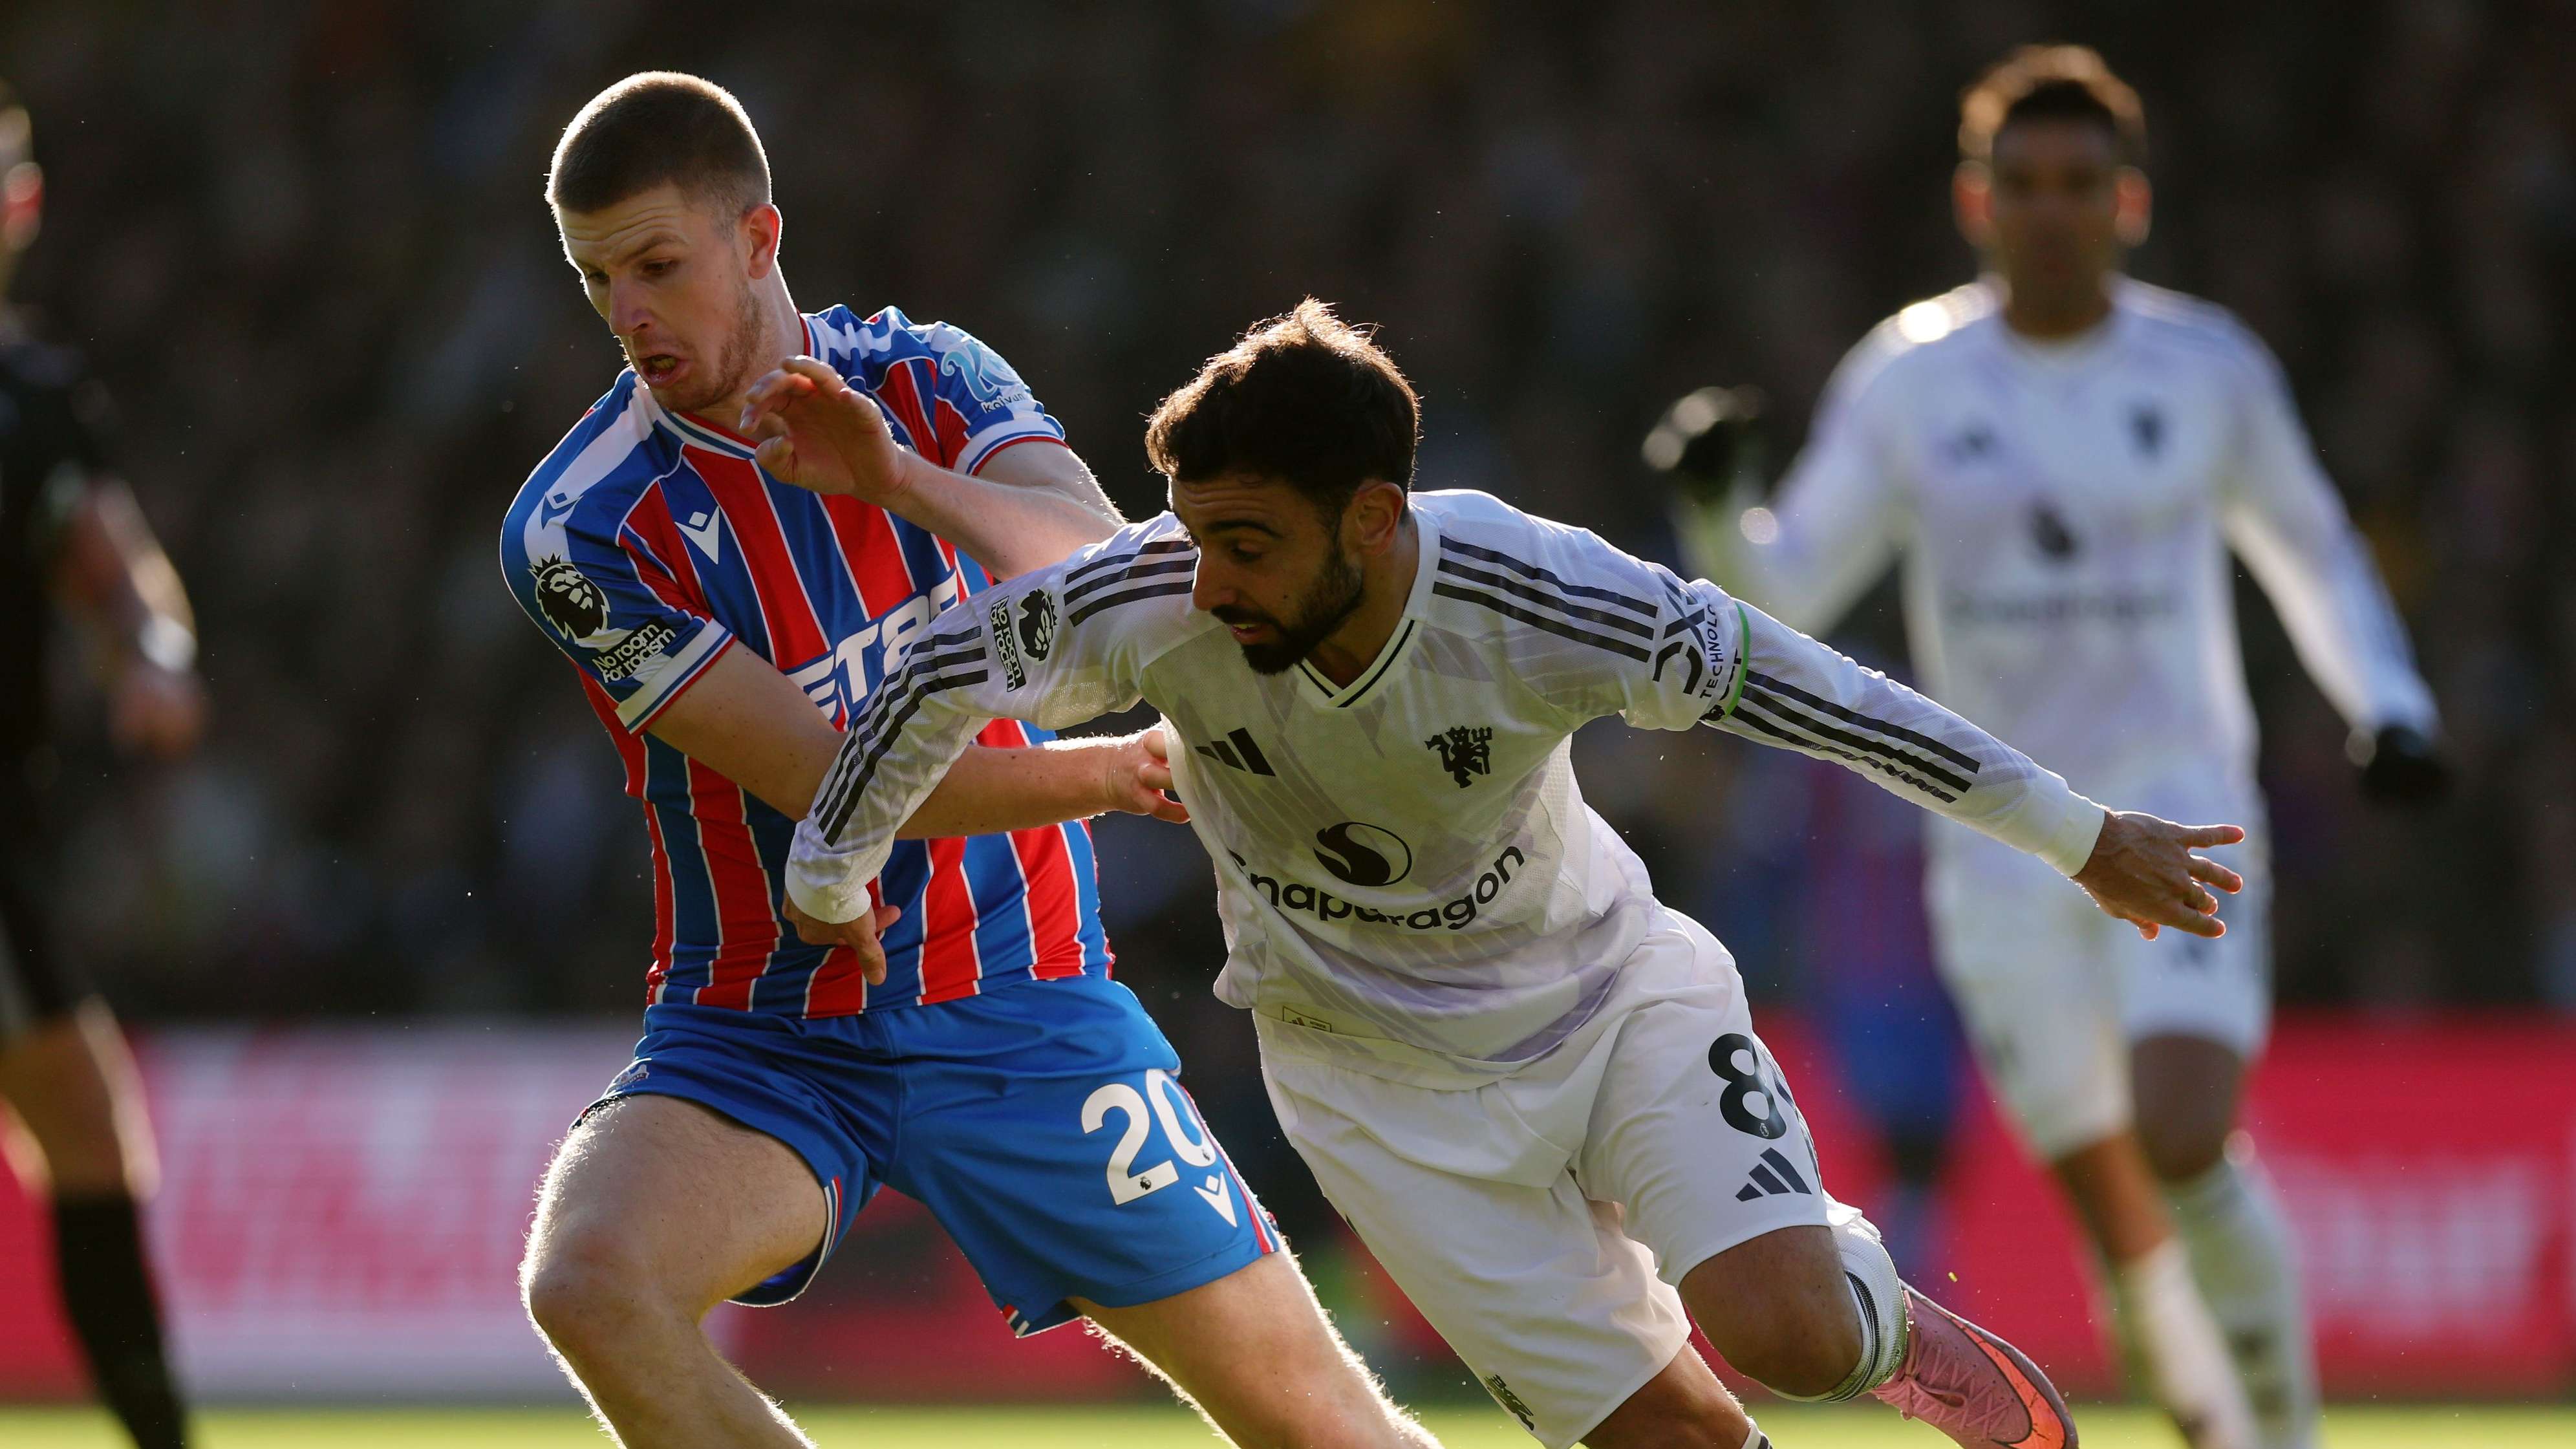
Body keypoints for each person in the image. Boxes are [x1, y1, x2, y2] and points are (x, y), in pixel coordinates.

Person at [773, 298, 2253, 1449]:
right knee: (1675, 1431)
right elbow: (941, 672)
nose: (1211, 580)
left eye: (1248, 543)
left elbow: (1818, 693)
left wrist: (2076, 833)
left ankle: (1885, 1321)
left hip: (1612, 1000)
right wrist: (829, 880)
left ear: (1373, 517)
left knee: (1789, 1334)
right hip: (1371, 1080)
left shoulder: (1537, 593)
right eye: (1196, 536)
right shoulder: (1163, 595)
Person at [501, 75, 1435, 1449]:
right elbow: (839, 783)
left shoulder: (926, 375)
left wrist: (897, 483)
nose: (629, 315)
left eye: (658, 265)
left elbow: (1112, 575)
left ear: (760, 240)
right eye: (596, 281)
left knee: (1322, 1426)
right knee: (590, 1281)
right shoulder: (579, 528)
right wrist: (1115, 773)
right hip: (769, 1024)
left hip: (1024, 1004)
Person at [1657, 46, 2447, 1449]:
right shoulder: (1910, 380)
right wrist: (1720, 509)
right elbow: (1783, 594)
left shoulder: (2207, 369)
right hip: (2003, 847)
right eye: (2022, 184)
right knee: (2117, 1205)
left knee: (2185, 1132)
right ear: (1976, 199)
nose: (2052, 211)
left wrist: (2391, 703)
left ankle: (2291, 1438)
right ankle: (2216, 1431)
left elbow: (2312, 549)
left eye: (2081, 184)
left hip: (2184, 803)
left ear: (2129, 202)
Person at [0, 80, 202, 1449]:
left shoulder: (35, 400)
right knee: (81, 1111)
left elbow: (117, 568)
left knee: (85, 1121)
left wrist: (153, 653)